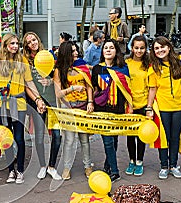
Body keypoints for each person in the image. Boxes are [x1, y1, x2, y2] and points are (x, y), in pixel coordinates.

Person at [0, 33, 46, 184]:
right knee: (6, 139)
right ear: (5, 44)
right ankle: (11, 171)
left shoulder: (22, 60)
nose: (15, 46)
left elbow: (29, 83)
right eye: (12, 43)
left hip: (19, 104)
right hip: (2, 104)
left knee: (19, 138)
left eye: (17, 44)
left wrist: (38, 98)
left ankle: (20, 170)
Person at [146, 36, 181, 179]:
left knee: (175, 137)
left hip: (179, 107)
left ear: (169, 47)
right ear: (153, 52)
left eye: (162, 47)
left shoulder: (180, 60)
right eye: (156, 48)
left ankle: (173, 165)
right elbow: (152, 89)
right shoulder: (154, 66)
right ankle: (164, 166)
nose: (160, 50)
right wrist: (149, 107)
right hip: (162, 108)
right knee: (163, 137)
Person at [22, 32, 62, 180]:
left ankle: (52, 167)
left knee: (57, 136)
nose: (33, 43)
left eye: (34, 39)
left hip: (53, 102)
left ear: (38, 39)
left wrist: (50, 82)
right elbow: (26, 84)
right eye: (29, 42)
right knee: (39, 136)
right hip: (37, 102)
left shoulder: (49, 55)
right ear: (26, 46)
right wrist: (38, 100)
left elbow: (57, 78)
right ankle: (42, 166)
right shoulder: (26, 61)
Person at [92, 39, 133, 183]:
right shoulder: (97, 69)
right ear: (102, 52)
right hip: (102, 109)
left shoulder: (123, 68)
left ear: (116, 51)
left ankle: (108, 165)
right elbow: (94, 89)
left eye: (111, 48)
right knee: (108, 141)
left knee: (114, 141)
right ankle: (115, 172)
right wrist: (91, 103)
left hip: (118, 110)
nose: (108, 50)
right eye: (105, 48)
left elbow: (128, 90)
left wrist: (130, 107)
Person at [54, 41, 94, 180]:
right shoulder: (59, 70)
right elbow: (58, 93)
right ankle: (67, 167)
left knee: (84, 138)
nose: (76, 53)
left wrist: (90, 102)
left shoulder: (82, 66)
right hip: (68, 107)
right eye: (72, 51)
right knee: (69, 140)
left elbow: (89, 86)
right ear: (66, 53)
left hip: (83, 105)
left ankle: (88, 166)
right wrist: (73, 88)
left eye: (76, 50)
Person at [125, 35, 149, 176]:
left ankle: (139, 161)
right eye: (136, 48)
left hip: (144, 104)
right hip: (129, 105)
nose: (139, 51)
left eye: (142, 48)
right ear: (132, 48)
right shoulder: (126, 63)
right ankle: (132, 160)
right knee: (130, 136)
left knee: (141, 135)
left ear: (145, 49)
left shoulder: (149, 64)